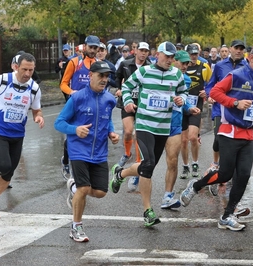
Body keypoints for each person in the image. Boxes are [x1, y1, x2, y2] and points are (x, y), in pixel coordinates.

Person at [180, 45, 253, 231]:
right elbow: (215, 92)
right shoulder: (237, 75)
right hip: (229, 131)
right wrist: (235, 103)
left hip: (248, 133)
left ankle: (227, 215)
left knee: (244, 175)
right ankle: (195, 186)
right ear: (251, 58)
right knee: (226, 173)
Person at [109, 41, 188, 227]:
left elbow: (183, 92)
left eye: (172, 57)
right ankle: (148, 211)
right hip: (145, 125)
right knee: (149, 164)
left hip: (163, 127)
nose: (170, 60)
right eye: (166, 56)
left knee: (148, 166)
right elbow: (127, 86)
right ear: (158, 54)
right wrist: (128, 101)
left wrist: (181, 100)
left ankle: (120, 173)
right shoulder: (144, 72)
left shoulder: (176, 74)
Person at [54, 61, 119, 242]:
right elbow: (59, 123)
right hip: (78, 149)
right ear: (90, 75)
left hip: (99, 151)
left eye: (107, 76)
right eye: (101, 76)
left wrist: (112, 133)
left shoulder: (109, 100)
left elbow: (107, 120)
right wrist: (75, 129)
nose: (104, 80)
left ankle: (73, 187)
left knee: (100, 192)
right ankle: (76, 226)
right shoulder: (77, 98)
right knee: (84, 189)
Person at [0, 53, 44, 219]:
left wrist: (38, 116)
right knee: (5, 166)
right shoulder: (2, 80)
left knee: (8, 173)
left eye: (31, 70)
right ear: (16, 67)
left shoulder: (34, 88)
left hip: (18, 133)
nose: (28, 73)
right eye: (24, 69)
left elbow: (36, 109)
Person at [162, 50, 200, 209]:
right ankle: (124, 174)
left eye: (187, 63)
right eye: (182, 63)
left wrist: (189, 107)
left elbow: (183, 99)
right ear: (173, 60)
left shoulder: (185, 79)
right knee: (148, 163)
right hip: (154, 123)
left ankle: (167, 196)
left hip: (174, 123)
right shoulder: (154, 73)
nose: (185, 66)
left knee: (172, 160)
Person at [59, 35, 100, 180]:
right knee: (70, 138)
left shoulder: (98, 64)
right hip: (75, 106)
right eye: (91, 47)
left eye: (96, 48)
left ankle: (83, 172)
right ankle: (65, 161)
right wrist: (72, 92)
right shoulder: (74, 62)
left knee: (89, 137)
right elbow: (63, 83)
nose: (93, 50)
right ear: (85, 47)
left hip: (92, 107)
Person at [205, 40, 247, 176]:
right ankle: (216, 163)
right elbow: (210, 85)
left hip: (238, 110)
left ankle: (227, 168)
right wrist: (209, 95)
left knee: (234, 141)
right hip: (220, 108)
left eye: (241, 48)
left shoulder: (247, 67)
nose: (239, 51)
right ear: (230, 49)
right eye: (236, 48)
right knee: (218, 138)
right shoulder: (219, 66)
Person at [114, 42, 151, 192]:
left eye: (146, 51)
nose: (143, 53)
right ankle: (127, 153)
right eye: (141, 50)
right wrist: (118, 89)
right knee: (128, 131)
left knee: (138, 134)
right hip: (127, 102)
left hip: (142, 103)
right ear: (135, 51)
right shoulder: (125, 64)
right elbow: (116, 77)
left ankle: (137, 166)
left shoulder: (150, 67)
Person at [180, 43, 211, 179]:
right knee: (183, 140)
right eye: (191, 54)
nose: (193, 57)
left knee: (193, 137)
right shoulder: (181, 68)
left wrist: (207, 92)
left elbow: (212, 83)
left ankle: (195, 163)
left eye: (195, 54)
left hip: (196, 106)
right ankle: (185, 166)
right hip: (182, 106)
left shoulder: (204, 67)